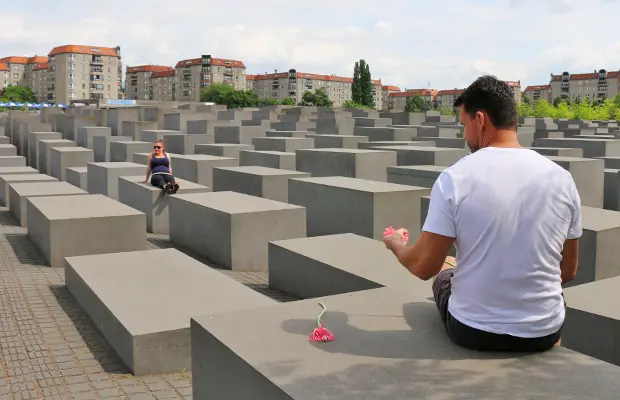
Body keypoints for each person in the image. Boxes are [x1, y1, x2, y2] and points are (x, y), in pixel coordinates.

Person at [383, 75, 581, 352]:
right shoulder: (562, 179)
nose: (464, 136)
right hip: (544, 332)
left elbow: (422, 267)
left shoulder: (456, 177)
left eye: (464, 125)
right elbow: (568, 271)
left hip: (473, 330)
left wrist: (397, 245)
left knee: (444, 275)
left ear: (480, 119)